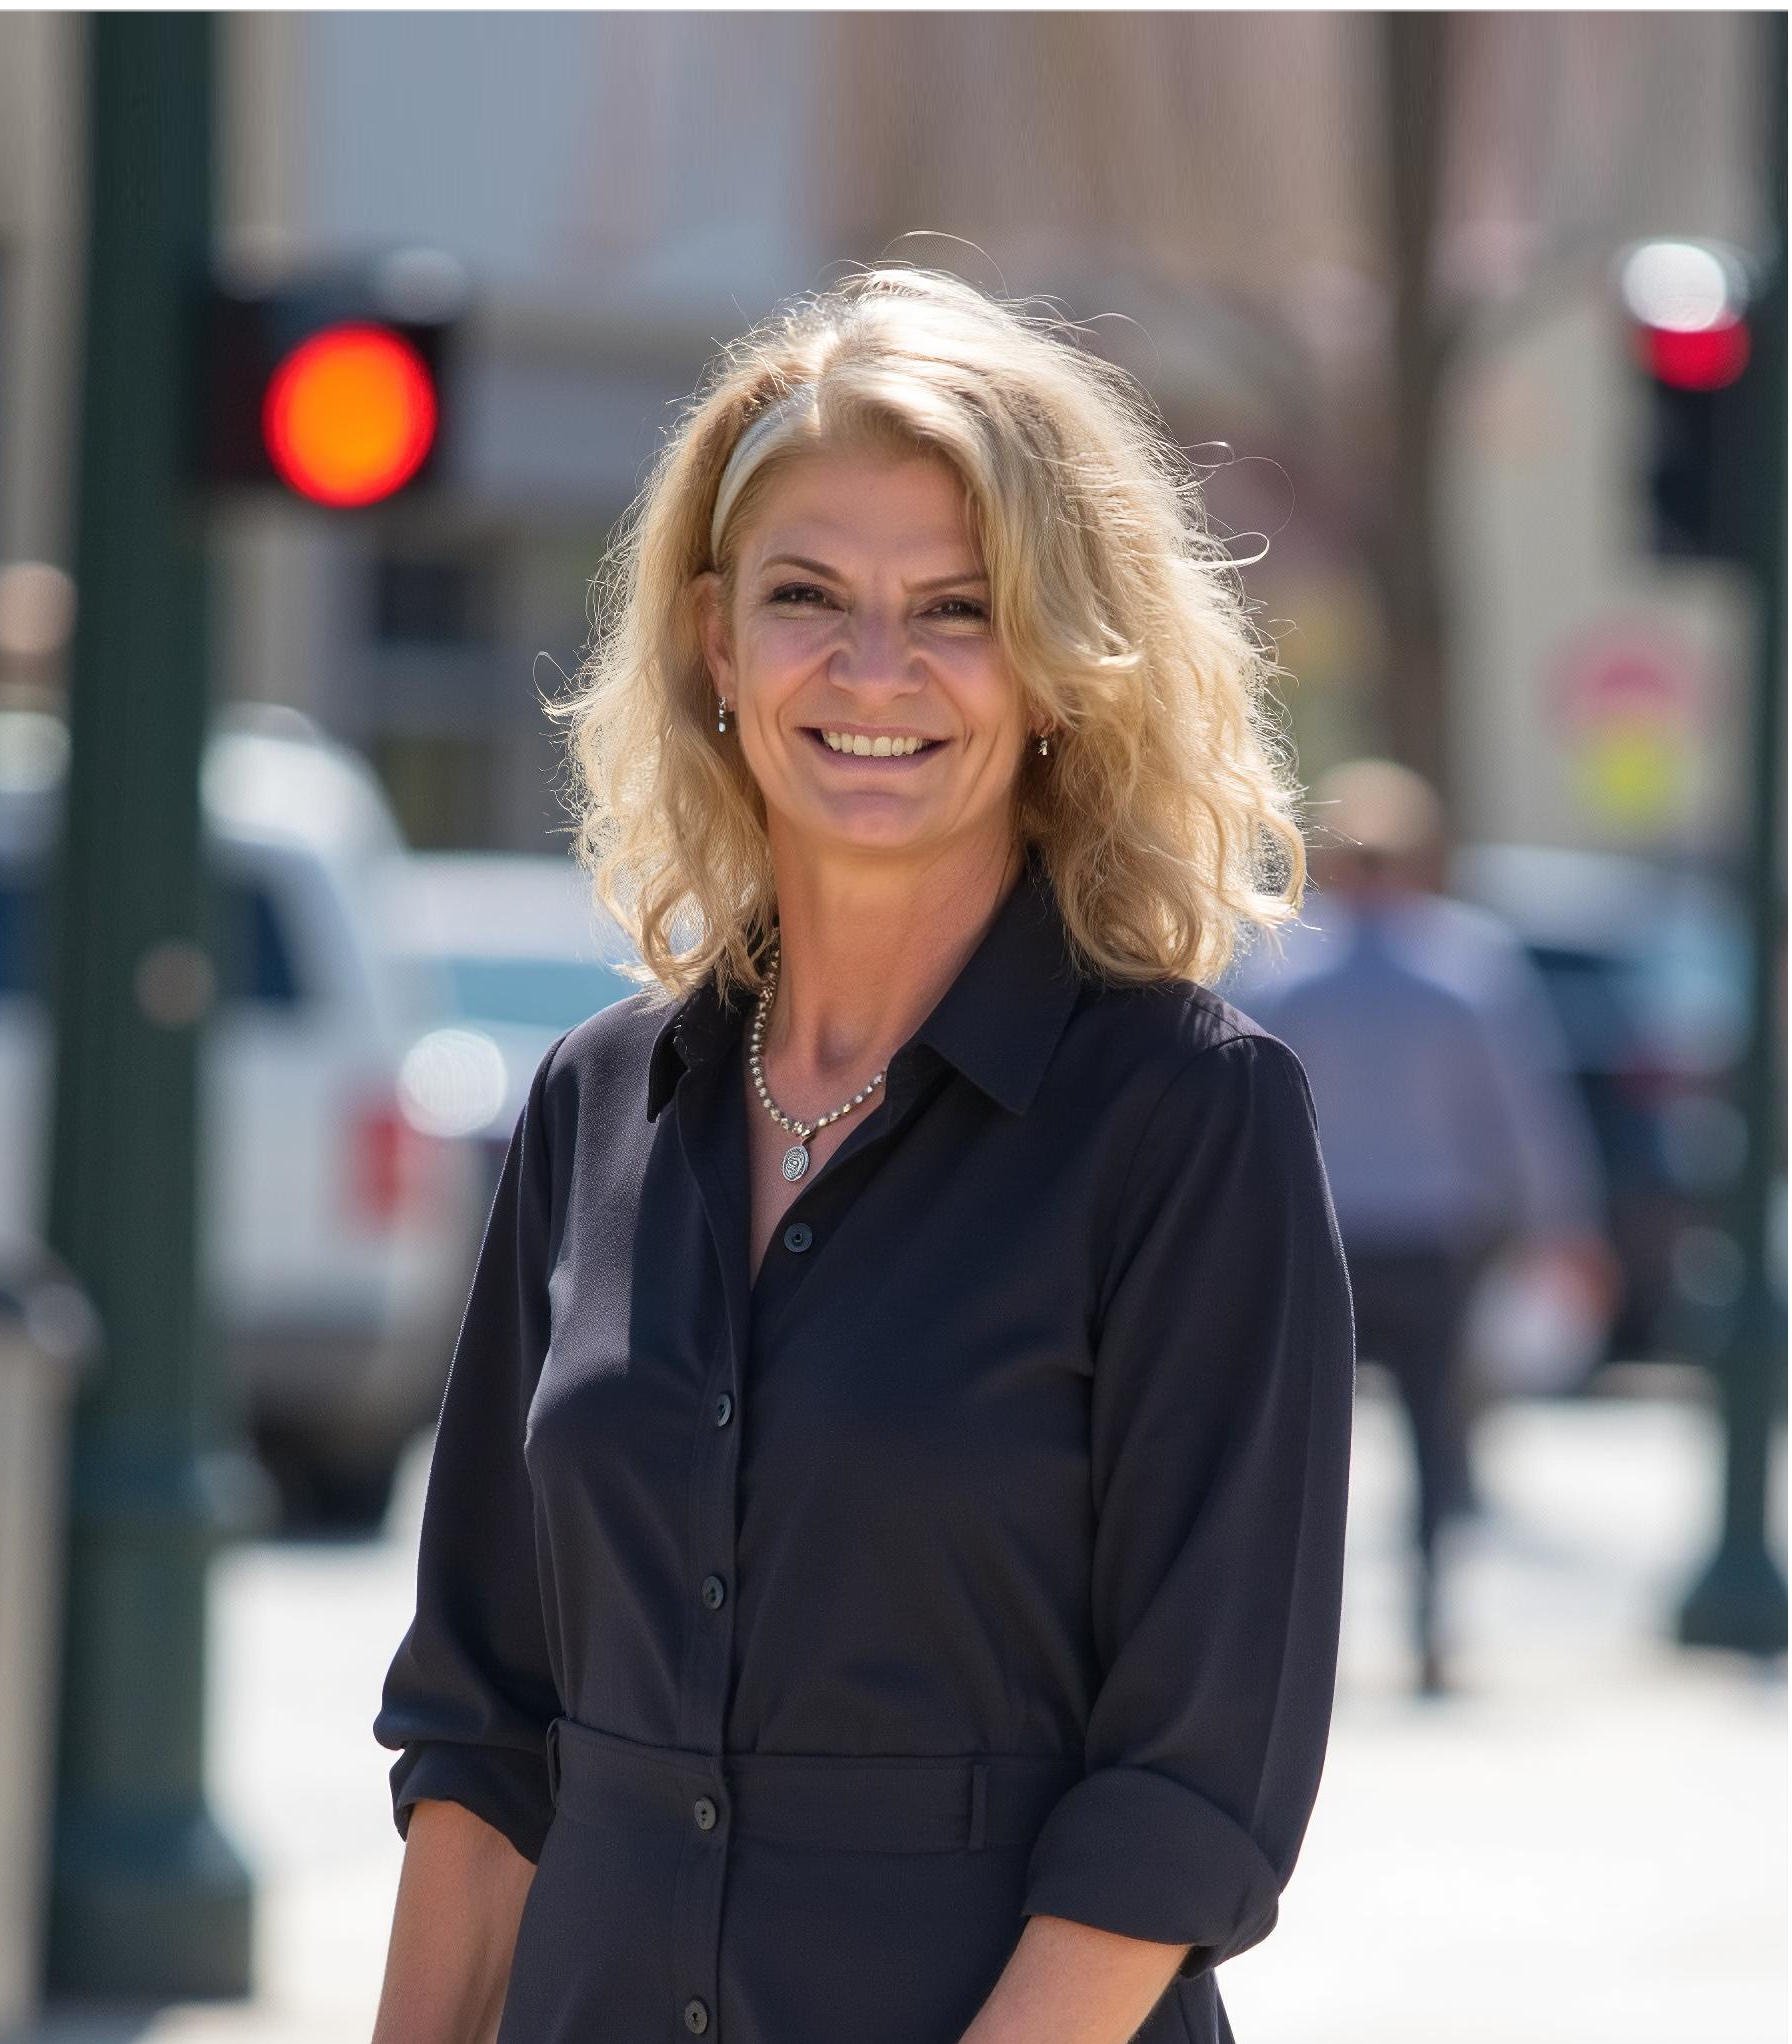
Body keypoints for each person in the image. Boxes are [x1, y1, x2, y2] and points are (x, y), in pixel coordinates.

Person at [370, 266, 1356, 2044]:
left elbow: (1192, 1782)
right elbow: (486, 1723)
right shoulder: (594, 1105)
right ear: (711, 641)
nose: (873, 667)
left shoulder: (1186, 1120)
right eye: (806, 595)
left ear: (1058, 663)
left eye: (958, 609)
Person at [1227, 759, 1615, 1697]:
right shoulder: (1467, 965)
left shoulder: (1282, 967)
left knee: (1299, 1443)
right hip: (1435, 1240)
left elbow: (1231, 1103)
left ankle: (1287, 1637)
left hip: (1319, 1236)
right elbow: (1523, 1111)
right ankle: (1431, 1622)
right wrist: (1564, 1222)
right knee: (1439, 1436)